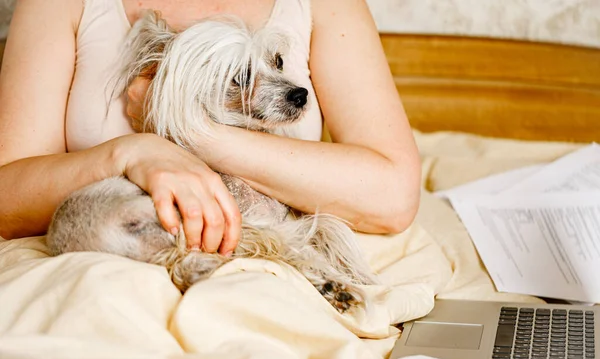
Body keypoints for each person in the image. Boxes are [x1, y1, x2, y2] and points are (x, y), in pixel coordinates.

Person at [0, 0, 421, 257]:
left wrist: (190, 132)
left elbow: (393, 197)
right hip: (104, 262)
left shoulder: (328, 5)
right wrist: (132, 153)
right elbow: (6, 198)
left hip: (269, 272)